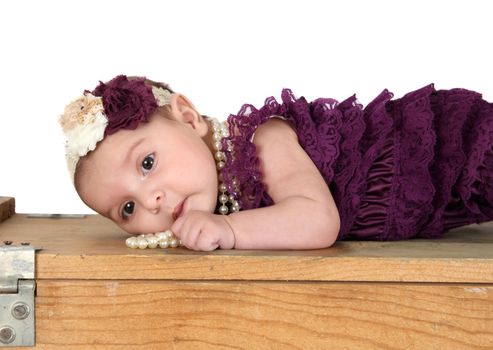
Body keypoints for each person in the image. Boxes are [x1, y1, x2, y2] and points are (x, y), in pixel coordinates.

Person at [59, 75, 493, 251]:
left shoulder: (262, 140)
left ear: (189, 119)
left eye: (148, 162)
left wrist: (229, 231)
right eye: (127, 209)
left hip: (450, 152)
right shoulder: (219, 195)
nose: (150, 199)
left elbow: (318, 220)